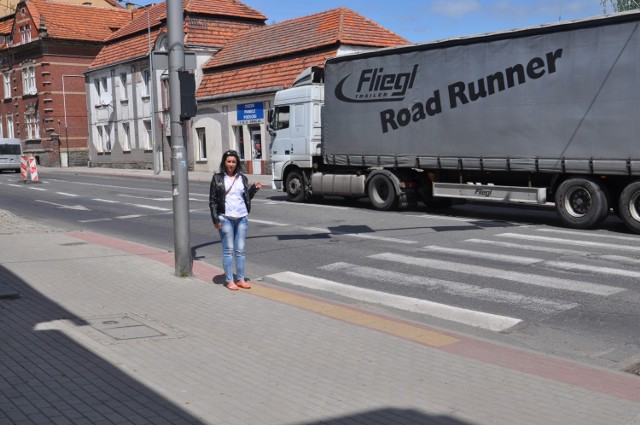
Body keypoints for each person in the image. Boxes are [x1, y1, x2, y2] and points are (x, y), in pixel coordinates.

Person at [209, 150, 262, 290]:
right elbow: (213, 201)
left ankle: (240, 279)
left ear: (237, 163)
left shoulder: (242, 178)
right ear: (224, 163)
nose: (231, 164)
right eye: (228, 161)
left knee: (240, 250)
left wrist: (254, 189)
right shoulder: (217, 178)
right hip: (225, 218)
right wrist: (215, 219)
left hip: (242, 218)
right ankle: (229, 280)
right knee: (228, 250)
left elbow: (245, 198)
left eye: (233, 161)